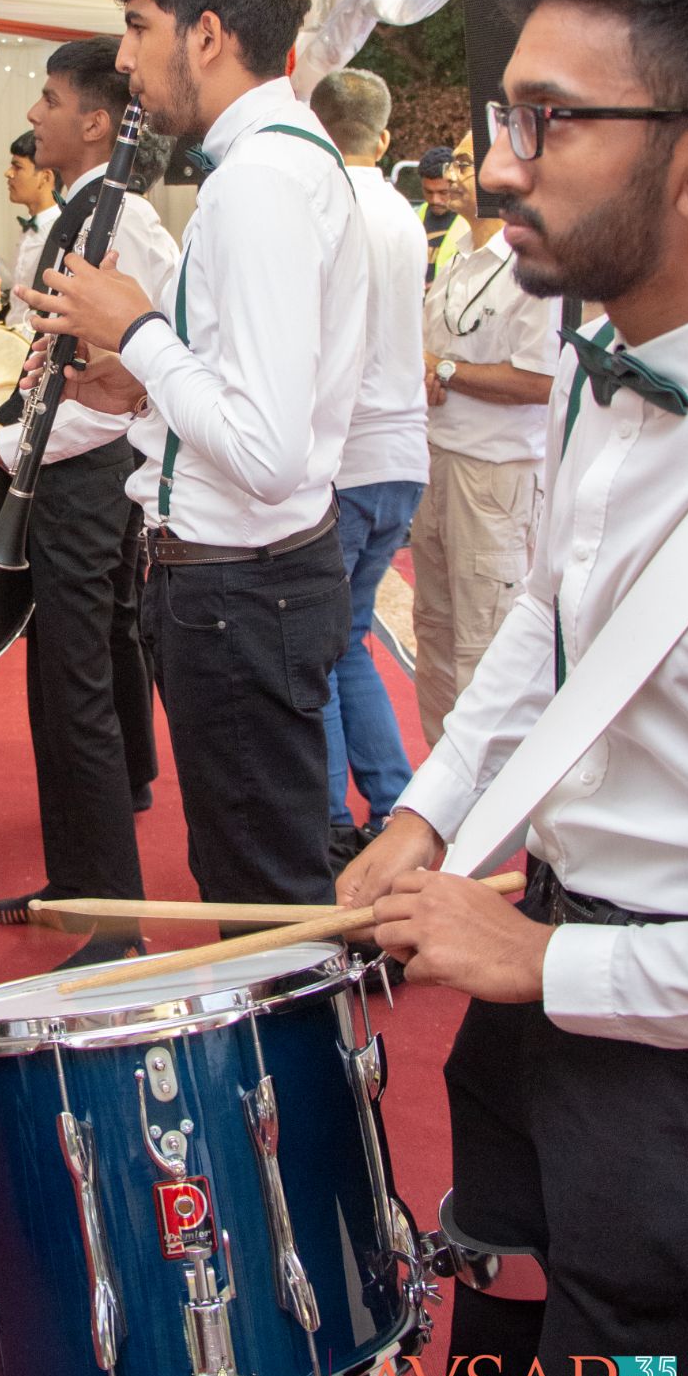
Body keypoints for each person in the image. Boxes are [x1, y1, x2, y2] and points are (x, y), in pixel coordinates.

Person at [343, 0, 688, 1376]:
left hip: (672, 1064)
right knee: (492, 1366)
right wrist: (425, 816)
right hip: (542, 984)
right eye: (507, 115)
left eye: (549, 120)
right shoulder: (596, 364)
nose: (501, 166)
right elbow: (542, 628)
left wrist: (546, 962)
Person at [21, 0, 368, 909]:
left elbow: (265, 450)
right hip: (249, 584)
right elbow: (246, 388)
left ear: (206, 35)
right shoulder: (279, 164)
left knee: (259, 899)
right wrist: (138, 380)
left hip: (239, 591)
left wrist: (133, 328)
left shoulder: (260, 182)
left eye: (137, 26)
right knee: (252, 878)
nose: (125, 59)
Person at [0, 37, 178, 961]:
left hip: (86, 476)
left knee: (78, 691)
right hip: (58, 472)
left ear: (97, 122)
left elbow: (118, 386)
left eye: (50, 100)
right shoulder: (80, 213)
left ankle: (113, 920)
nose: (34, 115)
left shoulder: (123, 222)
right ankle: (75, 885)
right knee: (54, 693)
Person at [309, 70, 428, 868]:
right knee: (347, 640)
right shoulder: (404, 215)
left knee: (316, 648)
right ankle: (391, 804)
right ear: (383, 139)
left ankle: (327, 819)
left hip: (345, 456)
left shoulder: (326, 208)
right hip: (402, 452)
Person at [414, 130, 560, 744]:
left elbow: (542, 380)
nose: (452, 175)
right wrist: (430, 368)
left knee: (487, 646)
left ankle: (490, 793)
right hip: (439, 463)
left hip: (495, 479)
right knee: (434, 633)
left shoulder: (536, 263)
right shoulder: (461, 252)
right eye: (453, 161)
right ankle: (439, 783)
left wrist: (446, 370)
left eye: (465, 163)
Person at [3, 129, 58, 330]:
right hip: (16, 336)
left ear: (45, 177)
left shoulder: (59, 233)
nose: (8, 173)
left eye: (17, 167)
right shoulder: (30, 228)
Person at [416, 143, 470, 283]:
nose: (435, 200)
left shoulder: (470, 223)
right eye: (428, 192)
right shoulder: (413, 217)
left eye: (443, 192)